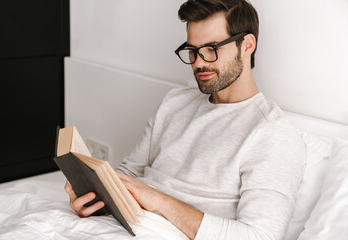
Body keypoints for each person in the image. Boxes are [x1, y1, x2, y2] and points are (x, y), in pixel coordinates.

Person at [64, 0, 306, 239]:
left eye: (212, 49)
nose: (199, 62)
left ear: (247, 45)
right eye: (192, 51)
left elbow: (261, 236)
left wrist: (158, 200)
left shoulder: (272, 132)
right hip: (118, 226)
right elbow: (129, 173)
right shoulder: (175, 102)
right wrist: (96, 200)